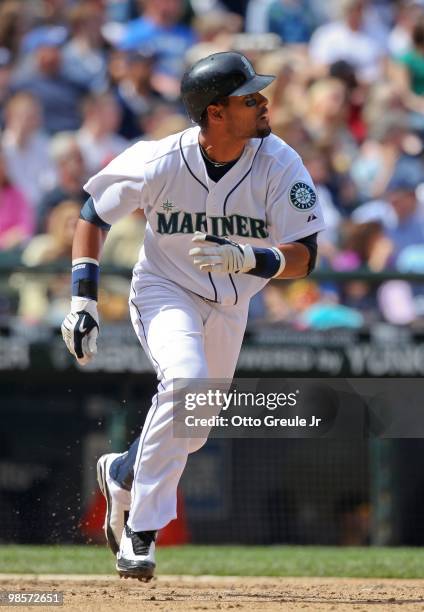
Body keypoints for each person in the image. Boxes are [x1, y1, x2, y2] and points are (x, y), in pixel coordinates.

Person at [61, 51, 325, 581]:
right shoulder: (160, 158)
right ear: (216, 112)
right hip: (165, 289)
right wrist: (82, 300)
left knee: (193, 427)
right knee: (187, 384)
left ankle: (124, 469)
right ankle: (141, 529)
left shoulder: (280, 161)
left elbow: (305, 255)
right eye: (249, 96)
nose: (263, 102)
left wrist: (254, 257)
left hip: (231, 303)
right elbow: (93, 213)